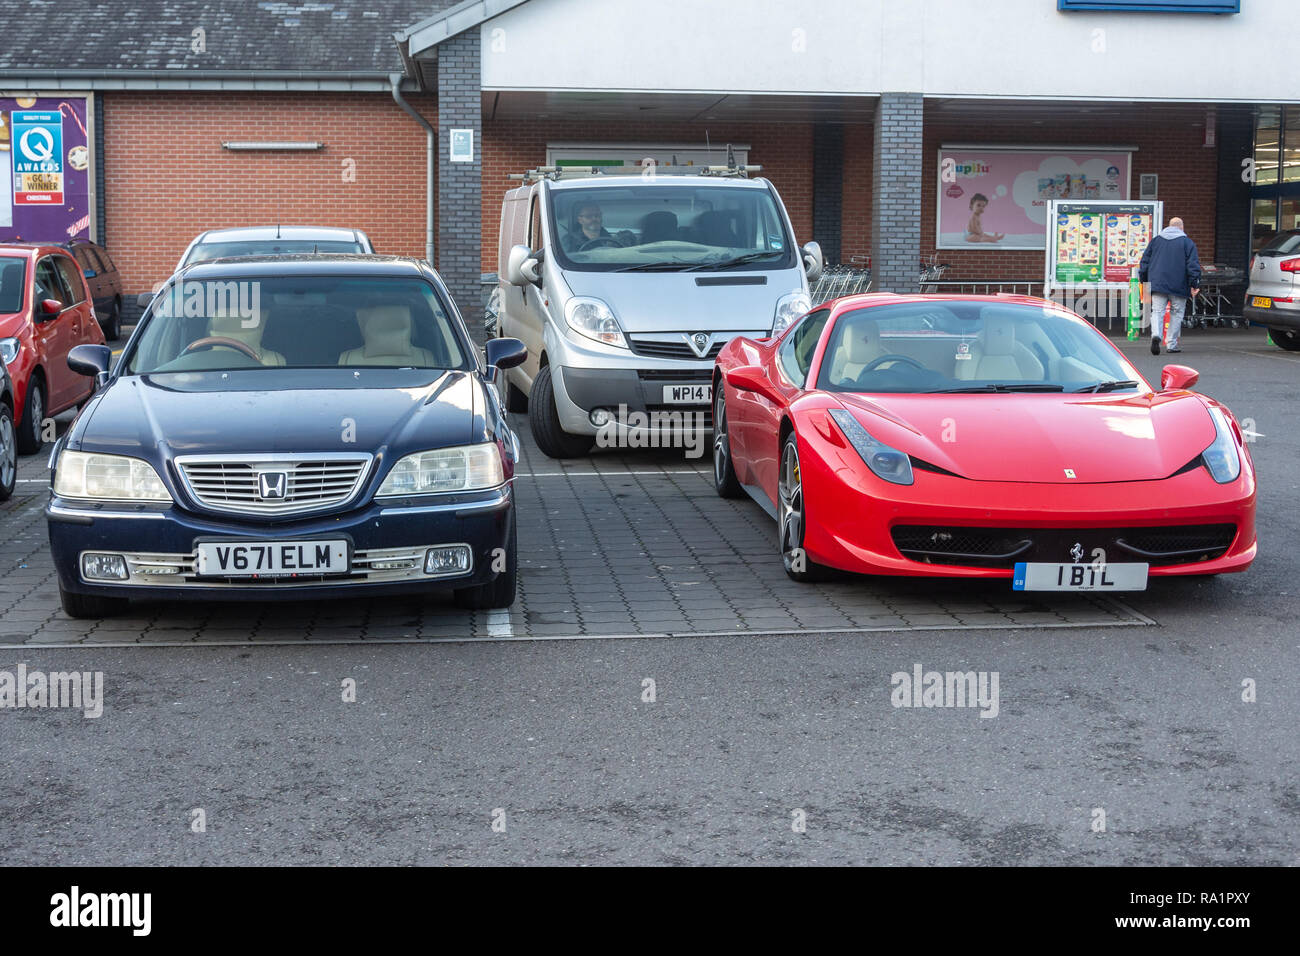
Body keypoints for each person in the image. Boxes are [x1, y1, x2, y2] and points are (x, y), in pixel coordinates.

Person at [1140, 216, 1201, 355]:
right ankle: (1171, 344)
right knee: (1176, 313)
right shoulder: (1187, 243)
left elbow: (1144, 263)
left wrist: (1144, 281)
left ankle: (1156, 335)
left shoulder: (1155, 241)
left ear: (1168, 226)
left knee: (1157, 312)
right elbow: (1192, 265)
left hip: (1157, 284)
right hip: (1179, 285)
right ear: (1182, 227)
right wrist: (1195, 283)